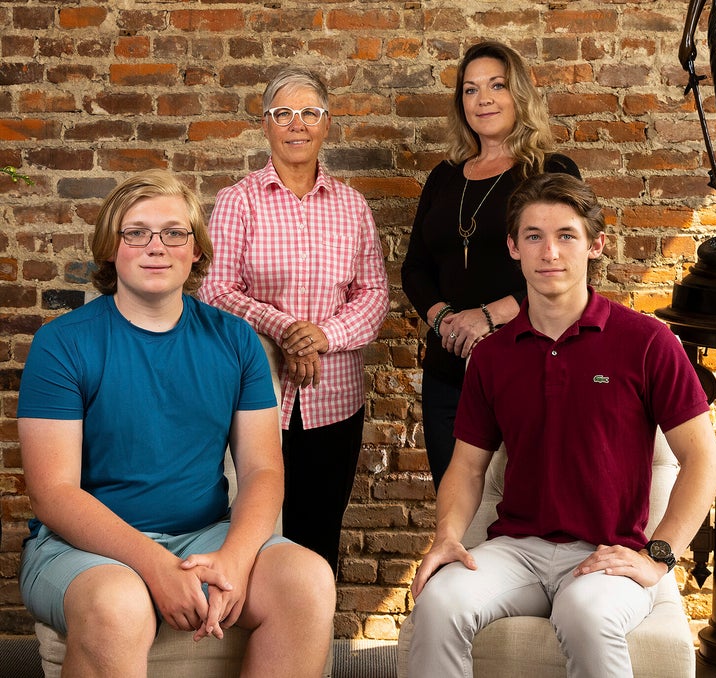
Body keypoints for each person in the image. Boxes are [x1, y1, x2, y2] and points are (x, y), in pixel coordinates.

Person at [17, 169, 336, 677]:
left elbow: (262, 472)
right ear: (110, 248)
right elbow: (52, 493)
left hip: (203, 534)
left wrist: (233, 557)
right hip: (82, 550)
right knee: (118, 605)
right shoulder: (63, 344)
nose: (156, 246)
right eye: (136, 232)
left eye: (174, 232)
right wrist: (155, 567)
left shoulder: (236, 341)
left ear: (195, 251)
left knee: (308, 579)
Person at [408, 173, 716, 678]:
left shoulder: (646, 342)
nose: (549, 251)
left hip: (608, 553)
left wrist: (658, 557)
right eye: (533, 236)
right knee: (439, 601)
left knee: (585, 612)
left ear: (596, 245)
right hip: (516, 549)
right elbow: (466, 468)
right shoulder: (492, 355)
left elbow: (704, 458)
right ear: (513, 247)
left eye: (566, 235)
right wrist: (447, 537)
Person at [199, 67, 389, 576]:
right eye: (283, 113)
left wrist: (322, 336)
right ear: (266, 125)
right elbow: (215, 290)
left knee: (320, 531)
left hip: (335, 400)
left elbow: (373, 294)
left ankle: (314, 654)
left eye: (309, 113)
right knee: (252, 533)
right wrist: (285, 330)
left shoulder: (352, 206)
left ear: (327, 125)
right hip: (255, 398)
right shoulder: (238, 200)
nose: (296, 124)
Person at [401, 40, 582, 489]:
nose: (483, 99)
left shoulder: (549, 170)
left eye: (496, 86)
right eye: (470, 89)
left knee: (523, 500)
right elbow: (415, 268)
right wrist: (444, 319)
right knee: (455, 502)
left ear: (518, 93)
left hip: (525, 360)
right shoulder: (444, 176)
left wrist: (488, 316)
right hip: (448, 369)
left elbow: (566, 269)